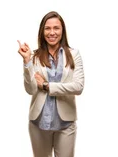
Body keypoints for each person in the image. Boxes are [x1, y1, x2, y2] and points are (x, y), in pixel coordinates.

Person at [17, 11, 84, 157]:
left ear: (62, 30)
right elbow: (31, 89)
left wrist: (47, 86)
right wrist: (27, 61)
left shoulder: (74, 54)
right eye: (47, 28)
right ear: (42, 31)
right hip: (38, 122)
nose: (52, 32)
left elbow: (78, 87)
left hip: (65, 123)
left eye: (56, 28)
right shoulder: (34, 56)